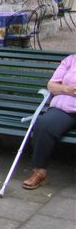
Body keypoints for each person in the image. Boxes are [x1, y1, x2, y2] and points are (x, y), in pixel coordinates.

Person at [23, 54, 76, 189]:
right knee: (44, 124)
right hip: (63, 109)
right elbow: (52, 85)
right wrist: (67, 89)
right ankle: (40, 172)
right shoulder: (71, 60)